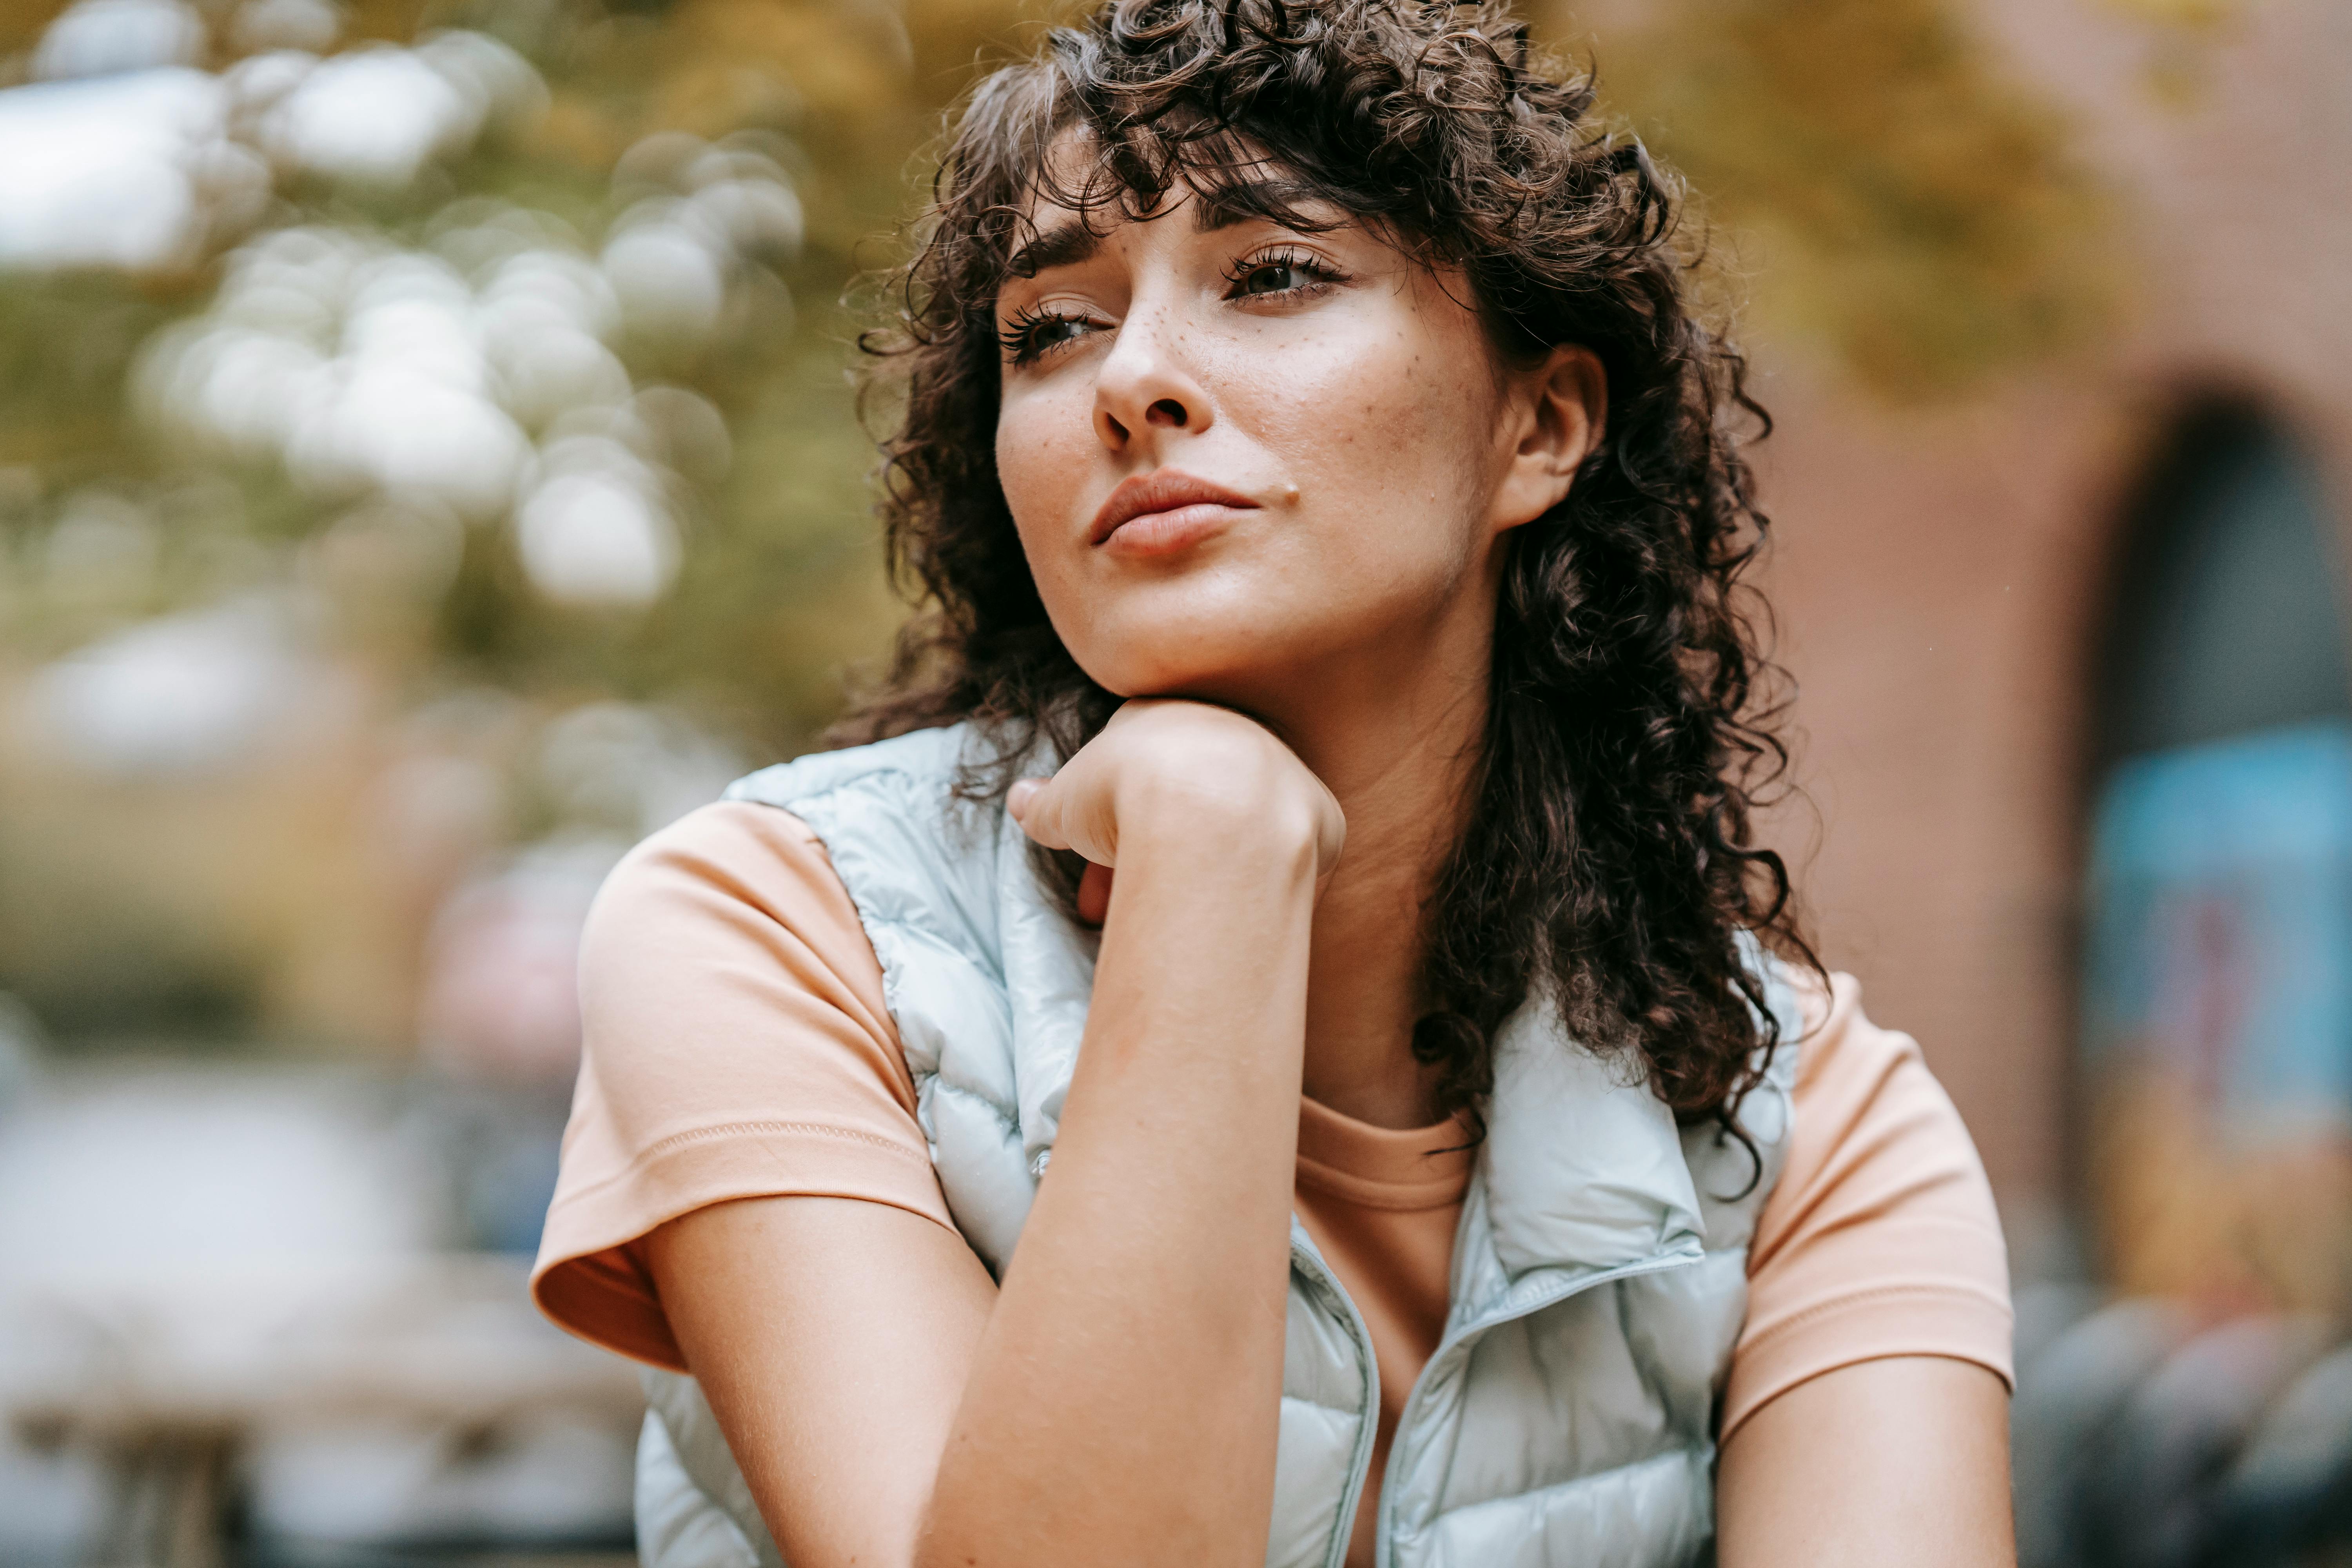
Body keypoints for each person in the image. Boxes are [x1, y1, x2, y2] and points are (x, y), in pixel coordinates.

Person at [530, 3, 2016, 1564]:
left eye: (1277, 272)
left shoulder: (1810, 1126)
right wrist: (1216, 855)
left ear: (1542, 424)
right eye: (1053, 329)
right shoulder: (772, 927)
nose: (1136, 379)